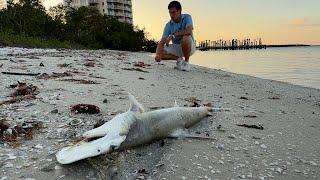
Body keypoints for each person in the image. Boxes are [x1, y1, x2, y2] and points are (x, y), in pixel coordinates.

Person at [154, 1, 196, 71]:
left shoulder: (187, 17)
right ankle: (179, 59)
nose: (171, 15)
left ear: (179, 11)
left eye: (173, 12)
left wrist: (173, 35)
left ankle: (186, 63)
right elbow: (162, 41)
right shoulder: (168, 25)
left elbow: (189, 30)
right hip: (177, 47)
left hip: (189, 46)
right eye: (170, 12)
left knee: (186, 37)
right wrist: (157, 55)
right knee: (160, 52)